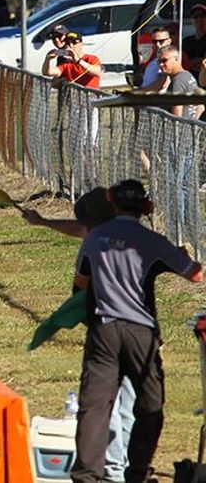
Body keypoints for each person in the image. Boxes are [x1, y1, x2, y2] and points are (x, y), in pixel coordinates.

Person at [69, 179, 203, 483]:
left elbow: (79, 284)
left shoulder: (94, 238)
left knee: (94, 406)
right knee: (149, 405)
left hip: (102, 330)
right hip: (140, 333)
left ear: (110, 201)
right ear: (146, 207)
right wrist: (181, 254)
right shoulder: (152, 241)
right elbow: (195, 275)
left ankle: (87, 476)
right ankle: (138, 473)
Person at [21, 188, 134, 483]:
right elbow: (82, 229)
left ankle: (113, 473)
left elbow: (80, 291)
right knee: (129, 405)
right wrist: (43, 221)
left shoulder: (92, 247)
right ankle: (128, 467)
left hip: (108, 335)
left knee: (105, 405)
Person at [157, 45, 203, 119]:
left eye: (164, 60)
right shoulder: (188, 75)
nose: (161, 64)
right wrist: (193, 122)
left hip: (180, 129)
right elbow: (201, 107)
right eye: (159, 61)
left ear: (176, 59)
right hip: (190, 128)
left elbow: (176, 119)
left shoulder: (178, 81)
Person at [183, 3, 206, 80]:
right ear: (192, 20)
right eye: (195, 16)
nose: (199, 19)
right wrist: (197, 60)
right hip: (189, 78)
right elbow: (182, 62)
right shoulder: (186, 41)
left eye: (202, 16)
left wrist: (191, 62)